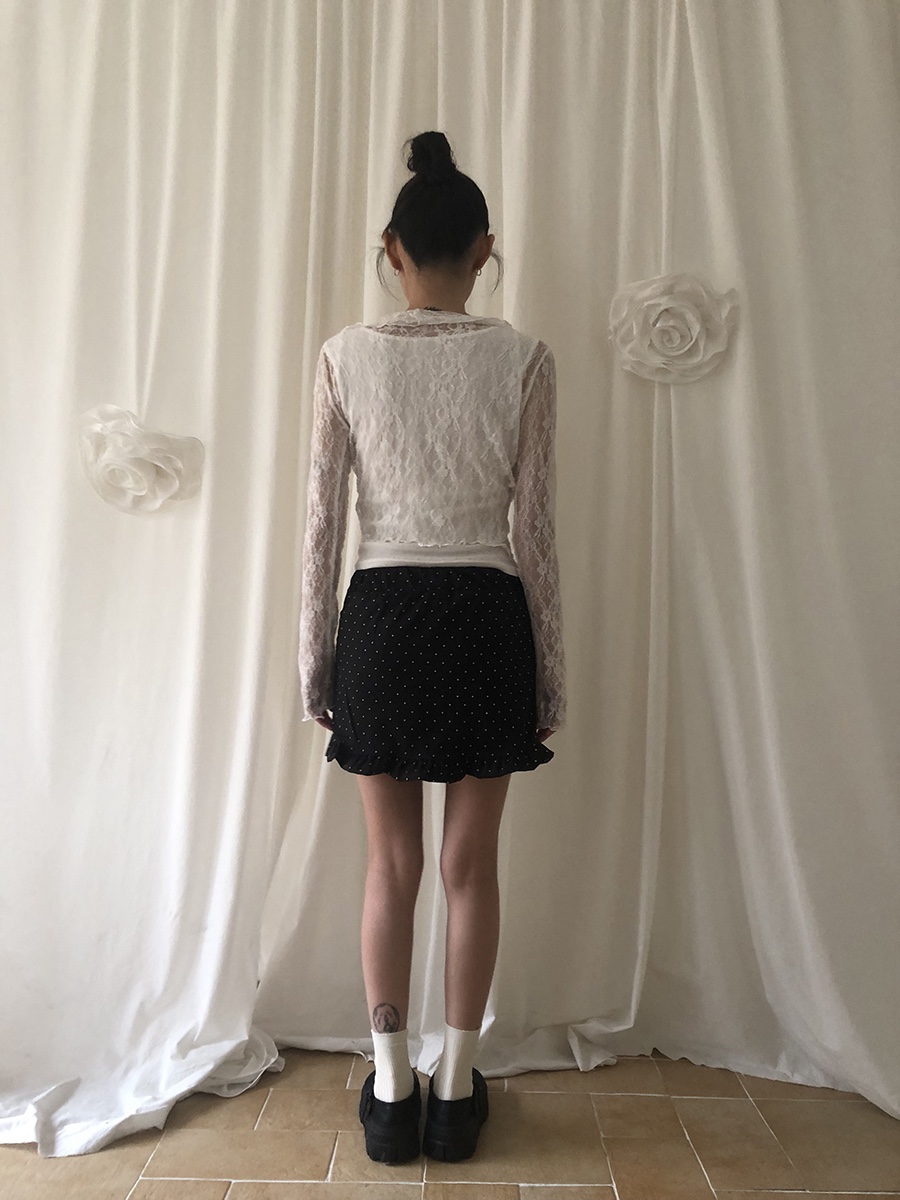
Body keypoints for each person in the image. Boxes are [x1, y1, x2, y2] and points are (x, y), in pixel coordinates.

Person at [297, 130, 566, 1165]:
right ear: (485, 249)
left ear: (391, 249)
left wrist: (314, 661)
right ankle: (457, 1087)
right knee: (469, 865)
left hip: (381, 621)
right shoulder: (526, 359)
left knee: (393, 863)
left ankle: (391, 1083)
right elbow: (536, 533)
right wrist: (552, 672)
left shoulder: (343, 356)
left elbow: (322, 528)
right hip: (488, 620)